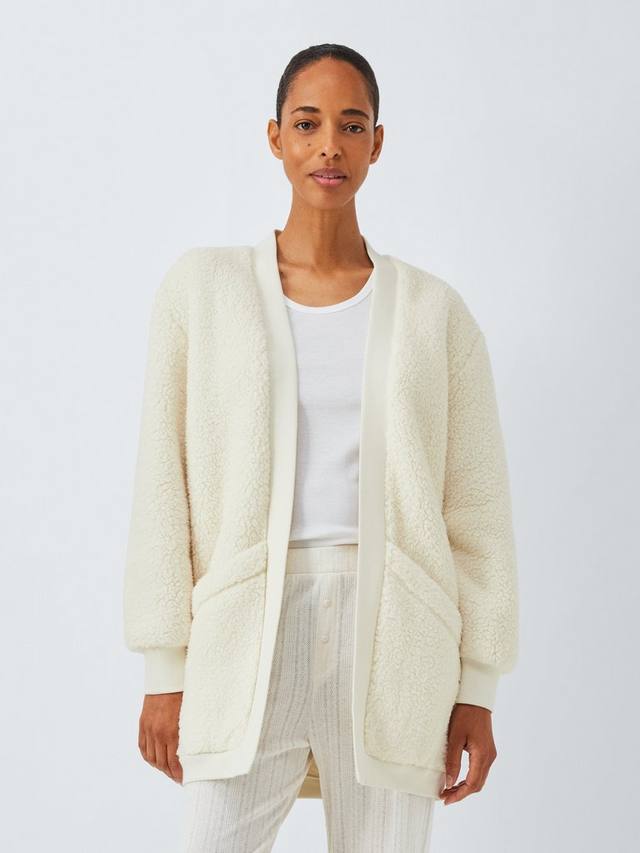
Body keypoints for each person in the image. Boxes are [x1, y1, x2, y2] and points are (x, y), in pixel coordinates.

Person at [123, 43, 519, 852]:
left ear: (378, 142)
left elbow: (476, 510)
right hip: (244, 629)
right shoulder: (203, 292)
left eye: (352, 125)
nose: (329, 146)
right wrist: (166, 666)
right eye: (307, 124)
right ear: (275, 137)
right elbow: (164, 485)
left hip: (396, 638)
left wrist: (476, 685)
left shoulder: (436, 315)